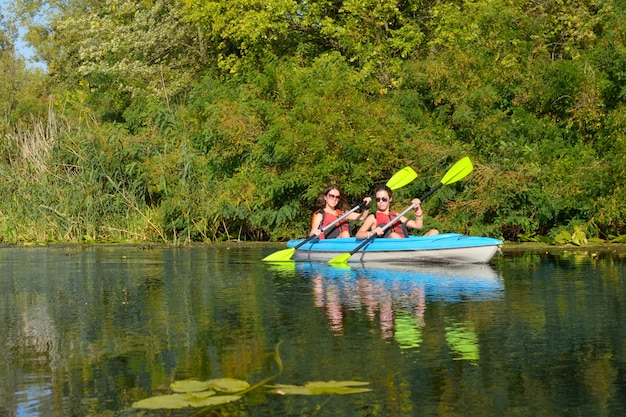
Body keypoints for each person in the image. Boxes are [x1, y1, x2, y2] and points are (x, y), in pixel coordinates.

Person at [355, 185, 439, 239]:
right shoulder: (373, 217)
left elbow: (418, 226)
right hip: (390, 245)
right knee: (393, 235)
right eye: (378, 199)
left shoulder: (396, 215)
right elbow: (359, 235)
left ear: (390, 199)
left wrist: (418, 210)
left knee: (434, 232)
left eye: (384, 199)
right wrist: (371, 233)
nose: (381, 202)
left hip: (406, 244)